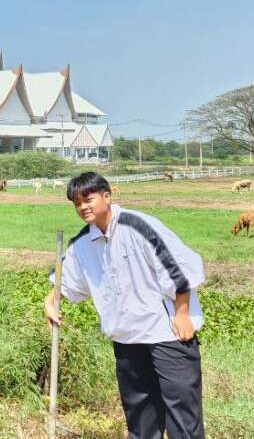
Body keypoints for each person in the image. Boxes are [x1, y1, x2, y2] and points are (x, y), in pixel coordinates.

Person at [43, 172, 206, 439]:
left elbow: (179, 269)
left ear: (107, 196)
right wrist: (49, 301)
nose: (83, 207)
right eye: (77, 203)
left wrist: (183, 313)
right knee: (140, 418)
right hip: (127, 338)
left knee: (182, 415)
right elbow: (65, 280)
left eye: (88, 199)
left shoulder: (139, 226)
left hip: (168, 335)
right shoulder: (82, 243)